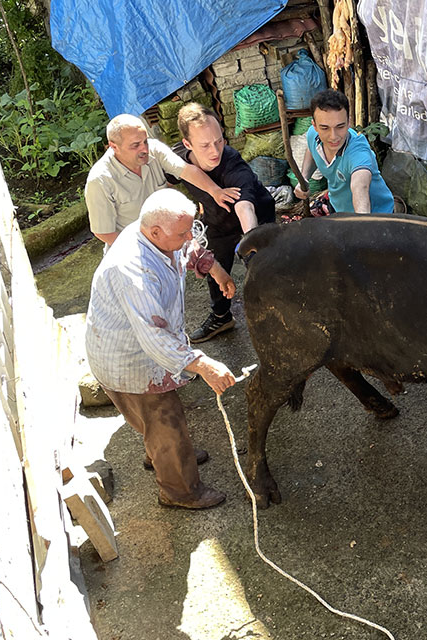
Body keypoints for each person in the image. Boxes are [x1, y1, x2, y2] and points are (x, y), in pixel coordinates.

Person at [85, 188, 237, 510]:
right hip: (128, 360)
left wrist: (215, 268)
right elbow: (155, 338)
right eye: (182, 232)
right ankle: (179, 490)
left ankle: (164, 454)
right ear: (155, 232)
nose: (188, 237)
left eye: (189, 228)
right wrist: (204, 365)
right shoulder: (133, 270)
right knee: (165, 418)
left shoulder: (160, 234)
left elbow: (188, 245)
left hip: (136, 348)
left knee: (153, 423)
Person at [170, 102, 274, 343]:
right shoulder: (176, 159)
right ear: (187, 145)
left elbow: (245, 207)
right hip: (217, 221)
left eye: (219, 141)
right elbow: (166, 182)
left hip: (257, 215)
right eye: (205, 145)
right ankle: (221, 317)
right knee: (215, 268)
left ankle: (280, 310)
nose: (215, 151)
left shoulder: (233, 164)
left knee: (265, 266)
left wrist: (255, 248)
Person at [84, 114, 240, 246]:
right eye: (135, 145)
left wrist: (215, 191)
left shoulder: (153, 149)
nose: (144, 149)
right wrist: (146, 250)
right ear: (113, 147)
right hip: (133, 248)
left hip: (168, 237)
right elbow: (103, 232)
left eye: (145, 141)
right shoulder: (100, 181)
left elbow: (186, 170)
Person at [294, 89, 395, 214]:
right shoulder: (313, 135)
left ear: (349, 122)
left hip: (374, 217)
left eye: (340, 126)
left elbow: (360, 187)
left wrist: (363, 223)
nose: (333, 136)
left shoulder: (358, 153)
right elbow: (311, 150)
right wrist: (304, 178)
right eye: (325, 128)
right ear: (315, 125)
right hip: (338, 207)